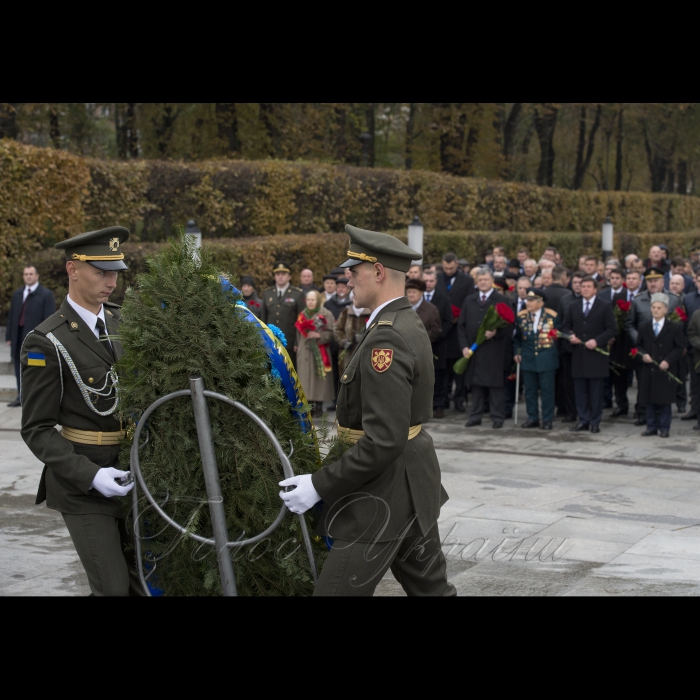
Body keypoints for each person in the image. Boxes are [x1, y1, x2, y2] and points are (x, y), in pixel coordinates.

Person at [279, 224, 456, 597]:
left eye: (354, 271)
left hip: (382, 497)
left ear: (377, 272)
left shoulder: (388, 337)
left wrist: (319, 485)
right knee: (433, 592)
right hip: (409, 483)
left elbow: (383, 440)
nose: (348, 279)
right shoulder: (403, 321)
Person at [20, 227, 140, 596]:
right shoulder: (46, 340)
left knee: (144, 585)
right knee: (113, 588)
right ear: (73, 269)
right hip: (83, 482)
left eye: (115, 271)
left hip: (133, 472)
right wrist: (90, 476)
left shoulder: (124, 323)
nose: (111, 281)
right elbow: (37, 428)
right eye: (101, 272)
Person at [458, 267, 514, 429]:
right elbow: (461, 326)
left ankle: (497, 417)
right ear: (476, 281)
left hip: (494, 350)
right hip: (474, 350)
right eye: (480, 280)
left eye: (486, 280)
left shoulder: (501, 300)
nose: (483, 282)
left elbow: (511, 326)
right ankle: (475, 416)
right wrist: (464, 347)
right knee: (476, 385)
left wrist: (496, 332)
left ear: (492, 281)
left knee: (495, 386)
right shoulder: (470, 300)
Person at [625, 267, 680, 425]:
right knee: (644, 384)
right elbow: (630, 324)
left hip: (666, 351)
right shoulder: (638, 300)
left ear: (663, 281)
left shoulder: (674, 299)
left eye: (656, 280)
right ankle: (644, 415)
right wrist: (641, 341)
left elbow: (678, 323)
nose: (653, 284)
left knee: (663, 387)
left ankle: (662, 420)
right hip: (645, 351)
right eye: (649, 281)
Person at [562, 276, 616, 433]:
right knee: (580, 390)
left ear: (594, 289)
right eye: (582, 286)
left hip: (596, 356)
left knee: (595, 391)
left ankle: (595, 421)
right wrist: (570, 336)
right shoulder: (574, 306)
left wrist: (597, 341)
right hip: (579, 354)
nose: (584, 288)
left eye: (587, 286)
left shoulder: (604, 306)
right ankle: (583, 419)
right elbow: (565, 326)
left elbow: (611, 329)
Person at [5, 264, 56, 407]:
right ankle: (20, 396)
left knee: (35, 367)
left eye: (31, 274)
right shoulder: (18, 294)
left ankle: (35, 399)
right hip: (18, 338)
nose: (28, 276)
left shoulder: (45, 295)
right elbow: (11, 317)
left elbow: (49, 319)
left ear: (37, 276)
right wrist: (9, 336)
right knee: (18, 367)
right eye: (26, 274)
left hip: (35, 341)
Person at [635, 293, 684, 438]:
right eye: (653, 307)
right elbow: (638, 346)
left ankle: (664, 427)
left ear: (665, 310)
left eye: (659, 308)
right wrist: (643, 355)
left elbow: (679, 348)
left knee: (664, 400)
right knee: (649, 399)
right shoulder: (644, 326)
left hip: (665, 368)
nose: (655, 310)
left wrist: (668, 360)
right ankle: (651, 426)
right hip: (649, 368)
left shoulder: (674, 327)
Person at [514, 289, 560, 430]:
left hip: (546, 357)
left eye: (531, 300)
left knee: (547, 391)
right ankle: (532, 417)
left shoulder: (552, 316)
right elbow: (517, 338)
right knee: (530, 390)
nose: (528, 303)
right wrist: (517, 352)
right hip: (527, 358)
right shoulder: (521, 316)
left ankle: (547, 419)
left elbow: (557, 337)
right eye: (527, 300)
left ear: (540, 303)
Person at [436, 252, 475, 412]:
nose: (449, 271)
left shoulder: (467, 280)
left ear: (457, 264)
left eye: (451, 268)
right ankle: (443, 400)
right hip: (443, 330)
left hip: (459, 331)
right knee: (443, 370)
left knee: (459, 370)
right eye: (446, 268)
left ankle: (460, 399)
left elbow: (470, 301)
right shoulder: (437, 278)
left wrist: (460, 317)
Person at [294, 289, 335, 417]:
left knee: (319, 379)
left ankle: (319, 405)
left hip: (319, 349)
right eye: (308, 300)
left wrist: (319, 335)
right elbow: (298, 333)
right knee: (305, 378)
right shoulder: (302, 314)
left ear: (317, 301)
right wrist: (297, 345)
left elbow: (332, 333)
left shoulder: (326, 314)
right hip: (304, 351)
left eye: (313, 300)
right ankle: (308, 404)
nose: (310, 302)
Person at [260, 262, 306, 368]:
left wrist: (297, 342)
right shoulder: (267, 293)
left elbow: (301, 320)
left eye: (283, 274)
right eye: (277, 274)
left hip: (289, 342)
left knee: (290, 373)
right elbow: (263, 318)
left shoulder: (297, 294)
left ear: (289, 276)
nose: (280, 276)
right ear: (274, 276)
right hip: (271, 342)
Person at [422, 269, 452, 418]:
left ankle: (439, 405)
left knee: (439, 376)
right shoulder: (416, 297)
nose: (428, 284)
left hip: (438, 343)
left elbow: (448, 321)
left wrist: (436, 335)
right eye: (426, 281)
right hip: (419, 344)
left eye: (431, 281)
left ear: (436, 282)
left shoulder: (443, 298)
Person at [557, 272, 584, 422]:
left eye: (581, 283)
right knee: (567, 382)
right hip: (568, 347)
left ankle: (584, 410)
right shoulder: (565, 300)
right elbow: (560, 323)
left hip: (585, 347)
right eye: (575, 283)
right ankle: (570, 412)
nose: (578, 286)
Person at [681, 271, 700, 421]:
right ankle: (694, 408)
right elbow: (686, 325)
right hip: (695, 349)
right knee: (695, 382)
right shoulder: (688, 299)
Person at [334, 302, 371, 373]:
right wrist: (344, 341)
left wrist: (364, 337)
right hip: (347, 354)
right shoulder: (345, 312)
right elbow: (337, 329)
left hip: (364, 354)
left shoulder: (370, 313)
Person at [406, 278, 441, 343]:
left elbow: (436, 330)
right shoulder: (403, 308)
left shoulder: (432, 309)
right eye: (409, 292)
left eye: (414, 292)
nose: (411, 295)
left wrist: (420, 338)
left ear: (421, 293)